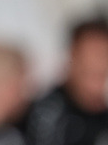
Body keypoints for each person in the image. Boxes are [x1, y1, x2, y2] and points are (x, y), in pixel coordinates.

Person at [22, 16, 108, 145]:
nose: (99, 62)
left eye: (104, 53)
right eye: (95, 53)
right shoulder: (48, 115)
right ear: (72, 56)